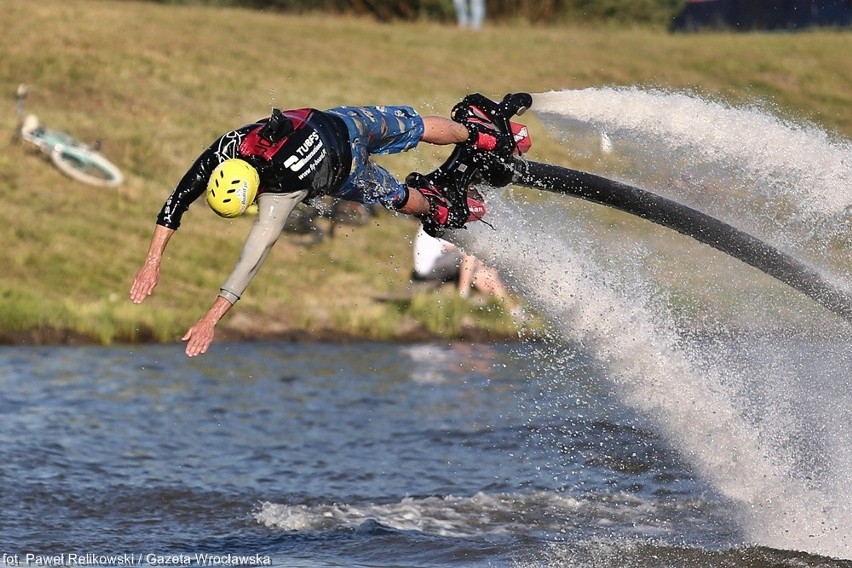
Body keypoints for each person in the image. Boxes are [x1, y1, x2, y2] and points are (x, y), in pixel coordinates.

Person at [130, 101, 506, 357]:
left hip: (348, 169)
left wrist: (209, 319)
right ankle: (485, 135)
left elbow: (251, 258)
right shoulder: (229, 146)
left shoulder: (278, 196)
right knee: (416, 126)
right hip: (341, 122)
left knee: (395, 195)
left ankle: (445, 208)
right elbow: (178, 199)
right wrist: (152, 262)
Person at [412, 225, 519, 310]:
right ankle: (464, 293)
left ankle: (511, 309)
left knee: (485, 273)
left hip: (439, 264)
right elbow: (451, 248)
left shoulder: (443, 219)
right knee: (470, 252)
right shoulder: (440, 221)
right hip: (430, 268)